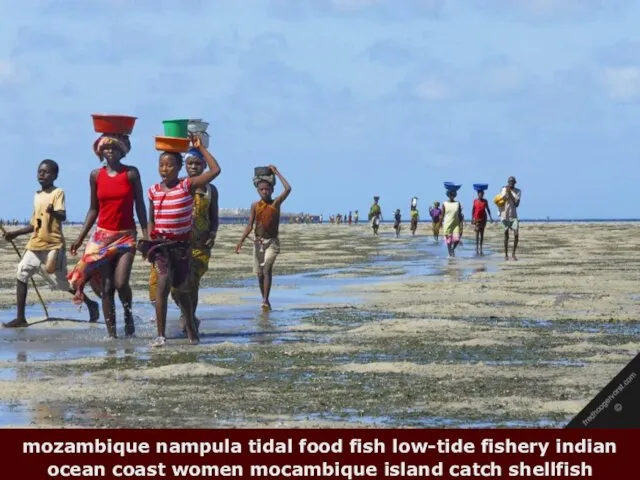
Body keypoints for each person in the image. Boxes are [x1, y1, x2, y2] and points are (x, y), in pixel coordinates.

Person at [143, 135, 221, 348]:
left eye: (170, 165)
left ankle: (191, 328)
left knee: (184, 290)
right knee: (162, 284)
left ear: (179, 168)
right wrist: (150, 240)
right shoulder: (153, 191)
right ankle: (161, 335)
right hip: (160, 247)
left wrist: (200, 148)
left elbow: (215, 171)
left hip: (182, 247)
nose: (164, 169)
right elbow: (151, 218)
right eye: (161, 165)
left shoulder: (187, 186)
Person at [1, 160, 100, 328]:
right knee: (21, 272)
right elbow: (34, 224)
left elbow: (62, 216)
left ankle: (91, 303)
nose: (41, 174)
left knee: (61, 284)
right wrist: (14, 234)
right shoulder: (37, 195)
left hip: (53, 245)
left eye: (46, 172)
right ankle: (21, 318)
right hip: (35, 244)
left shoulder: (58, 192)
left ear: (54, 175)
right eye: (39, 171)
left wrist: (52, 212)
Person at [68, 134, 148, 338]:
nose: (109, 150)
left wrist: (146, 234)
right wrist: (80, 237)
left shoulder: (131, 174)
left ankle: (128, 316)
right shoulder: (96, 175)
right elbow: (93, 209)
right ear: (100, 152)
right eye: (105, 148)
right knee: (106, 287)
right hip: (102, 237)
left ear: (122, 151)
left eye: (113, 147)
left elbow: (139, 204)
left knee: (121, 283)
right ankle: (112, 335)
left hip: (126, 236)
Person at [235, 165, 292, 312]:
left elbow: (288, 189)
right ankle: (264, 298)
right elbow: (249, 225)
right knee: (259, 274)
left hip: (272, 243)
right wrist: (241, 241)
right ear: (257, 191)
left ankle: (266, 300)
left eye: (267, 189)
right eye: (262, 189)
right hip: (258, 242)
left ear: (272, 190)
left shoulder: (275, 204)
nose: (265, 192)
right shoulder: (255, 205)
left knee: (267, 269)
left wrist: (277, 172)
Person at [498, 176, 521, 261]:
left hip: (513, 215)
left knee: (516, 234)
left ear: (515, 183)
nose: (510, 183)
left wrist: (511, 194)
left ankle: (513, 254)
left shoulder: (518, 191)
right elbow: (500, 201)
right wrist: (506, 194)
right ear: (507, 182)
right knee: (506, 235)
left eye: (512, 182)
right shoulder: (503, 189)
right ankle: (506, 254)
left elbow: (517, 204)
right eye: (509, 182)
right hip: (505, 215)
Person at [440, 190, 464, 258]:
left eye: (453, 195)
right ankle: (450, 253)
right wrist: (440, 224)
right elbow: (442, 215)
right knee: (449, 240)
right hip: (447, 223)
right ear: (448, 195)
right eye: (450, 195)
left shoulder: (457, 203)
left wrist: (461, 224)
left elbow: (459, 215)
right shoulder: (444, 203)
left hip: (456, 223)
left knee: (457, 239)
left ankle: (452, 249)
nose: (451, 196)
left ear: (454, 195)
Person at [471, 189, 493, 256]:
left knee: (482, 233)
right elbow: (473, 209)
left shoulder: (485, 201)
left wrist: (490, 217)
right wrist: (472, 218)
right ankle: (477, 247)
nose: (481, 195)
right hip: (477, 218)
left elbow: (488, 209)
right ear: (478, 194)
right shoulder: (475, 201)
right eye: (480, 194)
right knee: (477, 232)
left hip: (483, 218)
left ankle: (481, 247)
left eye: (482, 194)